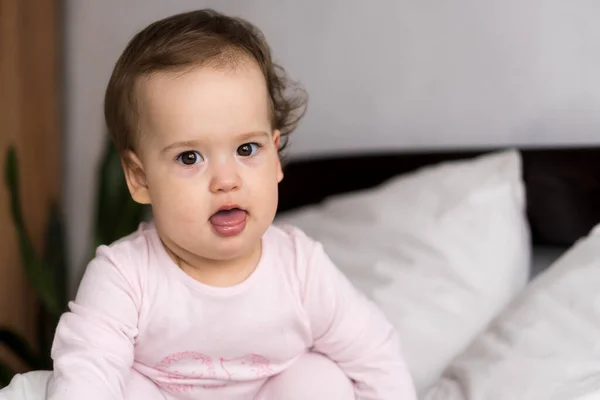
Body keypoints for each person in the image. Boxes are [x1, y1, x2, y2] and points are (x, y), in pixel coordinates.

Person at [47, 8, 417, 400]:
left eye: (246, 149)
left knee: (320, 377)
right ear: (140, 178)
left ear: (275, 158)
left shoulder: (301, 270)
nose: (226, 181)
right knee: (124, 387)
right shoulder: (124, 278)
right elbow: (86, 369)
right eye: (190, 157)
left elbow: (376, 355)